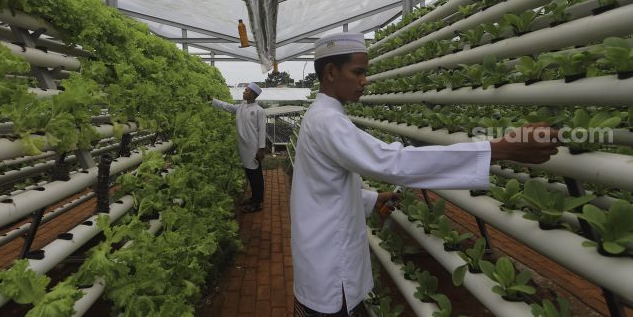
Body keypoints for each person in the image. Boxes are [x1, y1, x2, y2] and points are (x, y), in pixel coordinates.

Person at [290, 32, 560, 316]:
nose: (364, 80)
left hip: (321, 258)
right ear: (331, 72)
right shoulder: (328, 121)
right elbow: (393, 162)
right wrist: (497, 150)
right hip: (329, 268)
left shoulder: (322, 116)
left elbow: (326, 187)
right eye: (358, 72)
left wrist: (371, 199)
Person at [212, 82, 267, 213]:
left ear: (252, 94)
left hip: (254, 148)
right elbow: (226, 106)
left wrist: (261, 149)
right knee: (250, 173)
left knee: (256, 175)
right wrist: (212, 101)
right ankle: (254, 197)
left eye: (246, 90)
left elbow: (262, 131)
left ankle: (257, 203)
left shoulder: (259, 111)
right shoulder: (241, 107)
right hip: (244, 147)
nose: (244, 92)